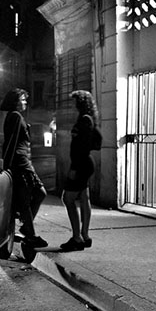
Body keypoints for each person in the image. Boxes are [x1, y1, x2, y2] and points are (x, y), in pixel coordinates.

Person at [0, 88, 48, 250]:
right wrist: (6, 165)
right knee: (28, 198)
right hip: (20, 164)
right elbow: (11, 143)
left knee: (37, 194)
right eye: (22, 99)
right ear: (15, 102)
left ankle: (27, 228)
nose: (25, 102)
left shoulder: (15, 116)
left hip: (25, 163)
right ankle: (30, 234)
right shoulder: (15, 116)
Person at [60, 90, 99, 252]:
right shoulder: (88, 118)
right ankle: (85, 235)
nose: (71, 104)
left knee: (68, 199)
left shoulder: (84, 120)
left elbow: (81, 147)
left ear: (80, 103)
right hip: (85, 163)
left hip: (81, 164)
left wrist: (74, 168)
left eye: (74, 101)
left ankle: (77, 238)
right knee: (84, 197)